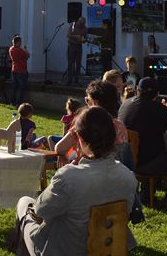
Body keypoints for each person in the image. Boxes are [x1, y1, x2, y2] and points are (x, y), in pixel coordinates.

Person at [16, 106, 137, 255]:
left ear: (80, 138)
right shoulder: (128, 177)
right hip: (106, 250)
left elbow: (41, 211)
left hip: (64, 250)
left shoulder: (69, 177)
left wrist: (64, 174)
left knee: (24, 203)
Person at [118, 77, 167, 189]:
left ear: (138, 89)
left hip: (126, 161)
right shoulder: (160, 109)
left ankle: (147, 191)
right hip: (148, 163)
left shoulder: (125, 105)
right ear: (157, 93)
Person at [9, 35, 30, 106]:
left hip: (14, 69)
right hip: (21, 71)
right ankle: (19, 103)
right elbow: (28, 55)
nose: (21, 43)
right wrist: (25, 49)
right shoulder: (19, 50)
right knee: (21, 88)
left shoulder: (11, 49)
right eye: (20, 42)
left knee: (14, 88)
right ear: (17, 42)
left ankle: (12, 102)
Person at [66, 17, 87, 85]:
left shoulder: (84, 28)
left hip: (79, 46)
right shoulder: (73, 25)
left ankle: (76, 80)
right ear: (78, 21)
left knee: (78, 63)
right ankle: (69, 80)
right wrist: (76, 36)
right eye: (81, 23)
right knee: (71, 63)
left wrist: (84, 40)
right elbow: (68, 35)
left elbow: (85, 38)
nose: (82, 25)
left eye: (83, 24)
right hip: (71, 45)